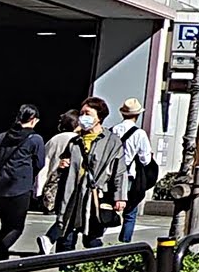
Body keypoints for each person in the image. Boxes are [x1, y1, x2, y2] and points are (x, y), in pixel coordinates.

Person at [55, 97, 128, 250]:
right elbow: (64, 163)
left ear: (99, 116)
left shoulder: (112, 141)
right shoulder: (75, 141)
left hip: (95, 196)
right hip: (72, 195)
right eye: (81, 114)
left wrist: (119, 197)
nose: (83, 118)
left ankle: (92, 271)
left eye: (87, 113)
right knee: (65, 239)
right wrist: (62, 165)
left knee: (93, 240)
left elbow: (119, 171)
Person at [0, 105, 45, 262]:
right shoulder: (35, 139)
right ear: (33, 120)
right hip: (20, 188)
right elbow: (40, 163)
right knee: (17, 226)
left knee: (6, 223)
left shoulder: (3, 137)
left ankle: (1, 255)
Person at [36, 110, 78, 254]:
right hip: (70, 184)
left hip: (54, 183)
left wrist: (39, 188)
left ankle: (53, 242)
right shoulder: (78, 140)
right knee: (71, 217)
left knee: (65, 216)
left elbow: (44, 164)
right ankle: (51, 240)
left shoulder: (54, 140)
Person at [112, 98, 154, 243]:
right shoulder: (139, 134)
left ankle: (97, 242)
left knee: (108, 208)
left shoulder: (112, 130)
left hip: (111, 175)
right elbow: (145, 159)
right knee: (130, 212)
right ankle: (124, 243)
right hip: (129, 175)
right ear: (137, 115)